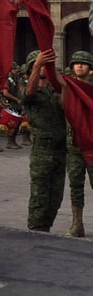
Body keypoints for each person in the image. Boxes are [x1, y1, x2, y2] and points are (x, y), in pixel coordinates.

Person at [20, 49, 66, 233]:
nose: (41, 70)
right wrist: (37, 64)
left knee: (56, 195)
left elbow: (65, 106)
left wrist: (63, 87)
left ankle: (45, 228)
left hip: (60, 149)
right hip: (42, 149)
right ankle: (36, 230)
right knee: (40, 195)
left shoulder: (53, 90)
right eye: (36, 66)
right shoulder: (28, 89)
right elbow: (28, 94)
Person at [65, 50, 93, 237]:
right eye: (76, 63)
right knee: (76, 184)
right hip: (73, 144)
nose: (79, 65)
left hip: (92, 144)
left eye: (83, 63)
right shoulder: (69, 87)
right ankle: (77, 223)